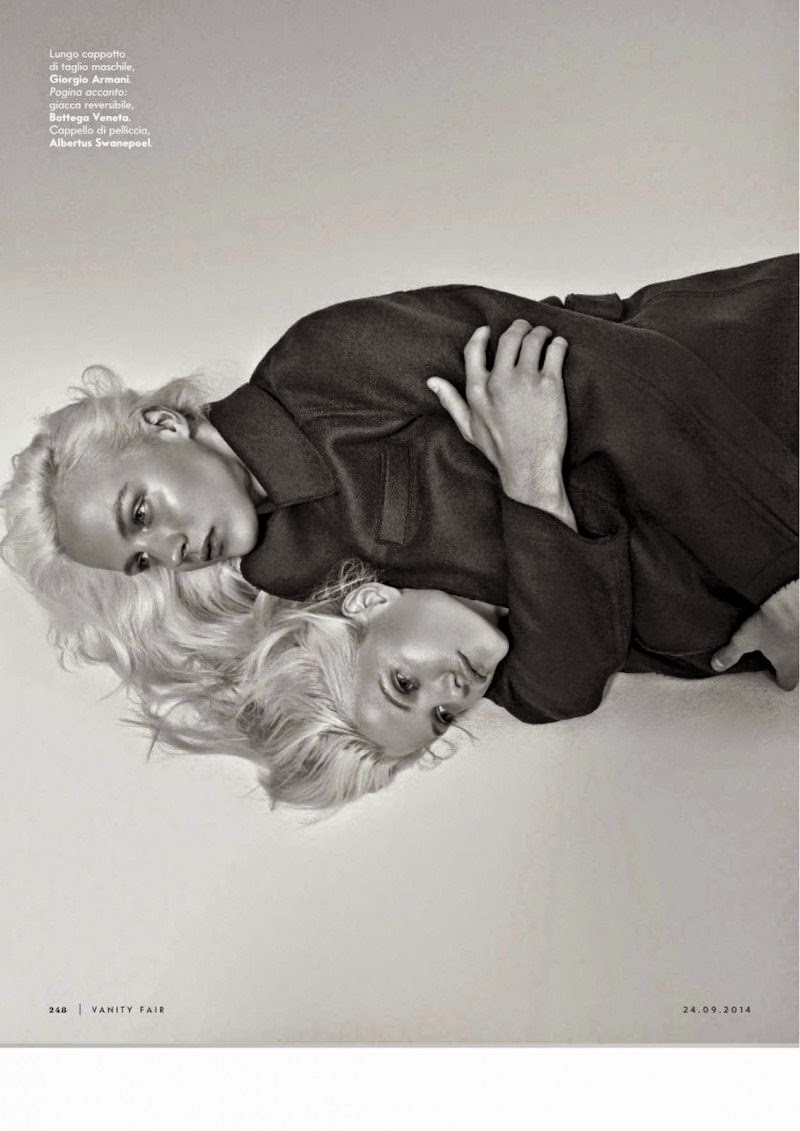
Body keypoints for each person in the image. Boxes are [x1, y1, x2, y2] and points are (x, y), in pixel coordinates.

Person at [1, 256, 796, 806]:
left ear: (164, 425)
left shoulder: (324, 360)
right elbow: (552, 684)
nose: (170, 550)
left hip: (756, 381)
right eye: (143, 561)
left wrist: (779, 570)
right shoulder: (301, 577)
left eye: (141, 513)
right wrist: (530, 477)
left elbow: (612, 377)